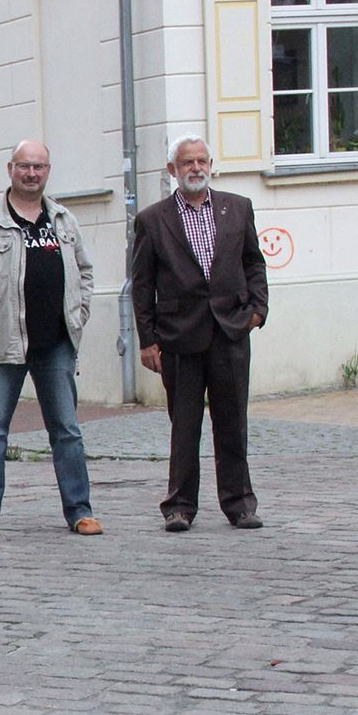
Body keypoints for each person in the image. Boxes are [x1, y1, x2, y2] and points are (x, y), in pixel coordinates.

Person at [0, 140, 101, 540]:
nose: (32, 173)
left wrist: (77, 315)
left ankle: (80, 510)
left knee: (67, 431)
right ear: (10, 169)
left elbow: (85, 274)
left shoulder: (63, 221)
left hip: (55, 343)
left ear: (48, 171)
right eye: (25, 166)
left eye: (39, 166)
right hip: (3, 346)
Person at [131, 134, 268, 531]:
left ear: (211, 165)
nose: (196, 168)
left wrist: (257, 310)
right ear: (172, 170)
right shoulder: (153, 220)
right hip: (178, 336)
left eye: (202, 161)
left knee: (232, 423)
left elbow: (253, 262)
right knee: (185, 426)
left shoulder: (237, 209)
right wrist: (147, 339)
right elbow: (142, 286)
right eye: (187, 162)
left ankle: (240, 504)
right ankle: (180, 506)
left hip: (230, 331)